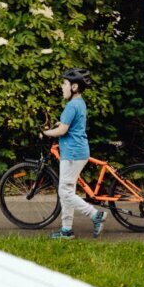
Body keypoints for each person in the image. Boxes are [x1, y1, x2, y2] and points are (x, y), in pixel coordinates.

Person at [40, 68, 106, 239]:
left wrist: (46, 133)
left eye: (65, 84)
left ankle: (95, 215)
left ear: (74, 86)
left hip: (72, 154)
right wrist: (60, 123)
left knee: (65, 192)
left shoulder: (71, 106)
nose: (62, 87)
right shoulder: (79, 103)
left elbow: (62, 130)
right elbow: (70, 124)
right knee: (68, 190)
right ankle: (66, 230)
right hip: (78, 151)